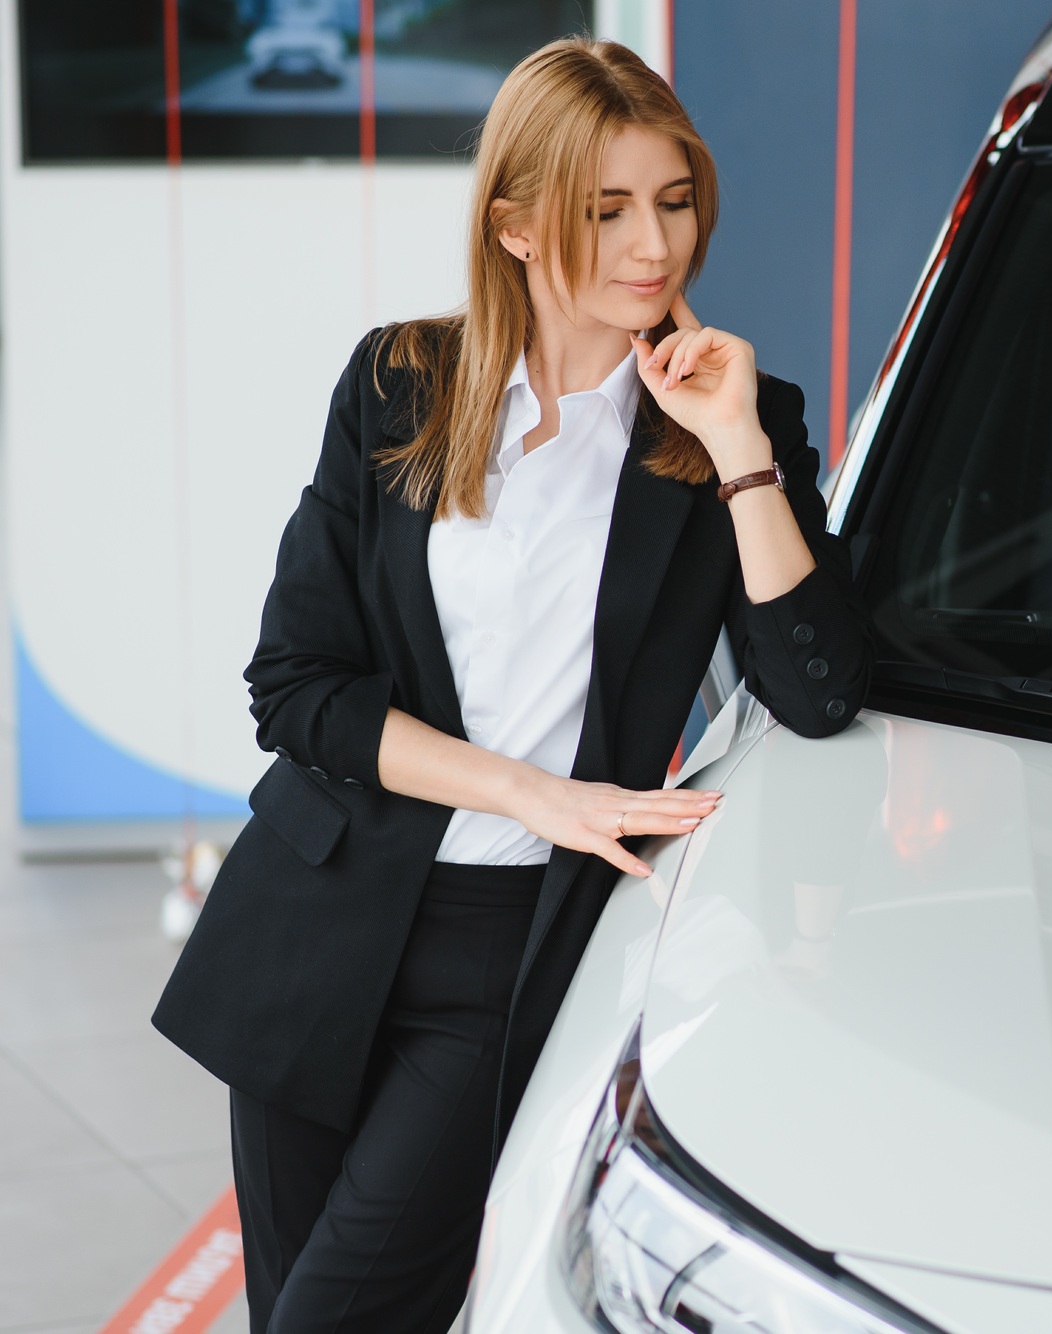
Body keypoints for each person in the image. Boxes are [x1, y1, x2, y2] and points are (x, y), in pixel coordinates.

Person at [151, 38, 870, 1333]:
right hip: (321, 912)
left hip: (513, 945)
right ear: (517, 225)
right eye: (608, 210)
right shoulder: (399, 382)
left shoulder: (730, 415)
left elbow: (818, 690)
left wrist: (739, 451)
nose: (655, 243)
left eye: (675, 200)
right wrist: (537, 791)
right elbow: (295, 687)